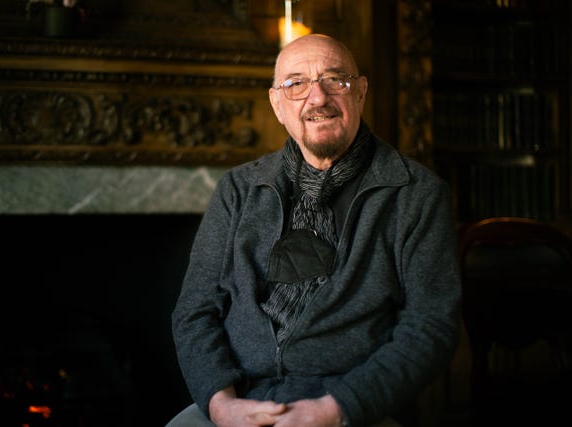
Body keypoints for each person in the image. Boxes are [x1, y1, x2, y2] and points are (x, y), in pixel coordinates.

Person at [167, 33, 462, 427]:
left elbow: (430, 328)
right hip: (238, 402)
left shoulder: (417, 195)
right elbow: (195, 310)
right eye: (296, 84)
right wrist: (221, 404)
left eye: (335, 80)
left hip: (353, 407)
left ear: (360, 93)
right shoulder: (238, 190)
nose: (318, 98)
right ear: (277, 105)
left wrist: (335, 409)